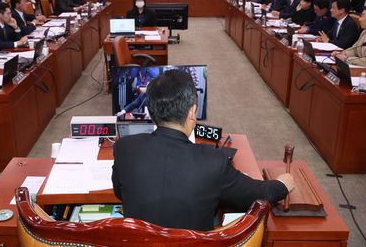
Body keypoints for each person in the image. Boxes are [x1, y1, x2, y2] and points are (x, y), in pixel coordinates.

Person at [111, 69, 294, 231]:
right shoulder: (214, 161)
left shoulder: (124, 147)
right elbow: (261, 195)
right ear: (192, 112)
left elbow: (121, 192)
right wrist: (282, 184)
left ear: (150, 111)